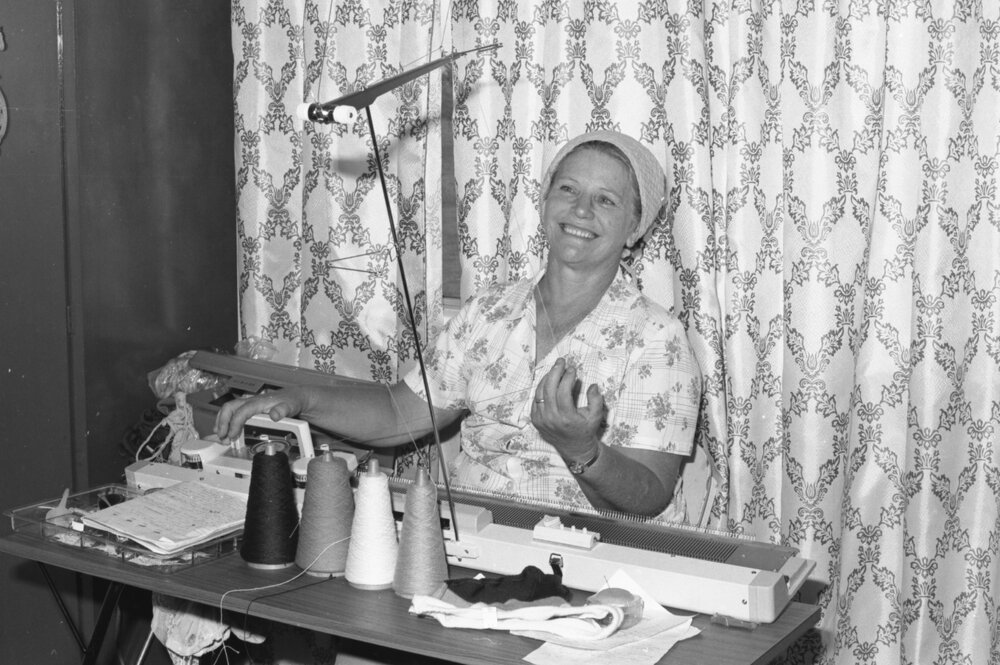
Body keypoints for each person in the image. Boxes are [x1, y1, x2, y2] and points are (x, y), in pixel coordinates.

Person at [216, 130, 702, 521]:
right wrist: (299, 401)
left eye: (606, 201)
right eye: (568, 189)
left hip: (587, 560)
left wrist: (582, 450)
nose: (580, 211)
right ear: (546, 200)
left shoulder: (657, 340)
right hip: (470, 537)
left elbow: (650, 496)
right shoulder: (489, 310)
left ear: (635, 227)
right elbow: (399, 413)